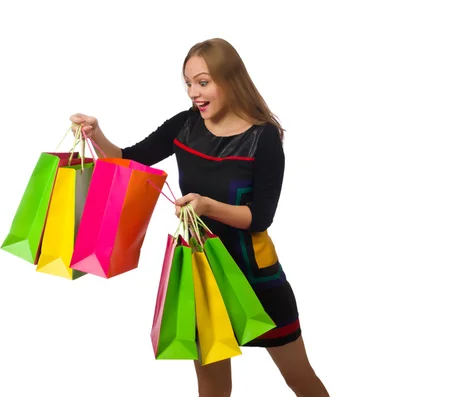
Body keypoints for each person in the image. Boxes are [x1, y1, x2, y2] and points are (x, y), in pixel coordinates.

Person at [70, 38, 329, 397]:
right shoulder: (184, 126)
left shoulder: (264, 138)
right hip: (203, 273)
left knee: (298, 377)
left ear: (230, 80)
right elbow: (130, 160)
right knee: (211, 385)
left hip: (256, 276)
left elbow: (260, 217)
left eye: (203, 82)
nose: (194, 92)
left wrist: (206, 206)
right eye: (189, 82)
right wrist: (95, 134)